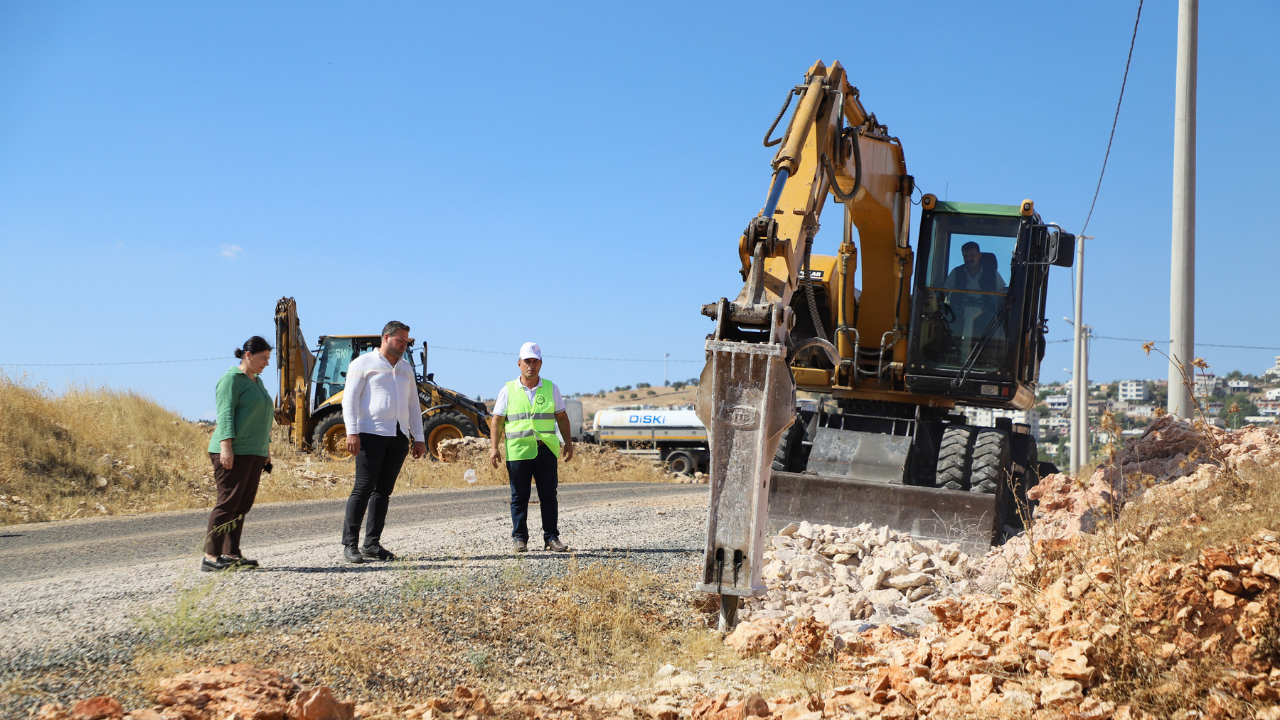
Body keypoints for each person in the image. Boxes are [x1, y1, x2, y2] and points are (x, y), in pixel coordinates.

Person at [340, 320, 427, 563]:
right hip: (370, 434)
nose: (403, 345)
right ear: (386, 338)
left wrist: (418, 438)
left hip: (397, 436)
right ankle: (350, 544)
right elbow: (349, 400)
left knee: (383, 492)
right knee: (363, 487)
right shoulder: (362, 363)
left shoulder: (406, 368)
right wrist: (352, 432)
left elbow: (413, 405)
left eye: (406, 341)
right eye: (400, 340)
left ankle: (372, 544)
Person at [488, 342, 574, 553]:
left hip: (545, 450)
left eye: (535, 361)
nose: (531, 366)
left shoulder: (551, 388)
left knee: (549, 496)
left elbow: (561, 417)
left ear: (541, 364)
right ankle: (519, 538)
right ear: (519, 364)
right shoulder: (507, 390)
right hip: (518, 450)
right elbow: (497, 420)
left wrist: (569, 443)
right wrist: (494, 447)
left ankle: (551, 538)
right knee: (519, 496)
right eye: (527, 361)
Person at [203, 336, 275, 572]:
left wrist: (266, 449)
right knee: (227, 503)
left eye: (268, 358)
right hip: (234, 451)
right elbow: (224, 415)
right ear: (248, 355)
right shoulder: (231, 380)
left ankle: (232, 554)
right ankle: (210, 557)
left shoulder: (257, 382)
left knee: (242, 505)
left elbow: (264, 418)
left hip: (254, 452)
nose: (266, 363)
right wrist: (226, 447)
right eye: (263, 358)